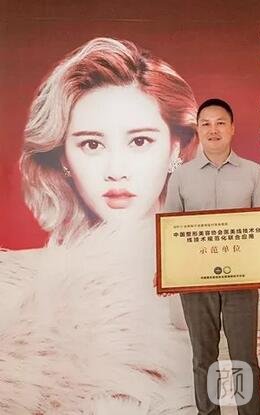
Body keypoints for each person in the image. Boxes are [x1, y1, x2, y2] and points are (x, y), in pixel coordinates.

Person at [0, 37, 199, 414]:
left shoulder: (219, 269)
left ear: (176, 147)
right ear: (63, 158)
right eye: (92, 145)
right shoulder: (17, 297)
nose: (116, 170)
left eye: (140, 141)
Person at [164, 98, 260, 415]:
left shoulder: (252, 173)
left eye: (220, 122)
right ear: (198, 129)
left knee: (244, 357)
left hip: (242, 279)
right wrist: (166, 268)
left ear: (232, 128)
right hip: (195, 281)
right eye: (206, 123)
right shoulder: (181, 176)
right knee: (203, 357)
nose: (213, 129)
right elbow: (170, 229)